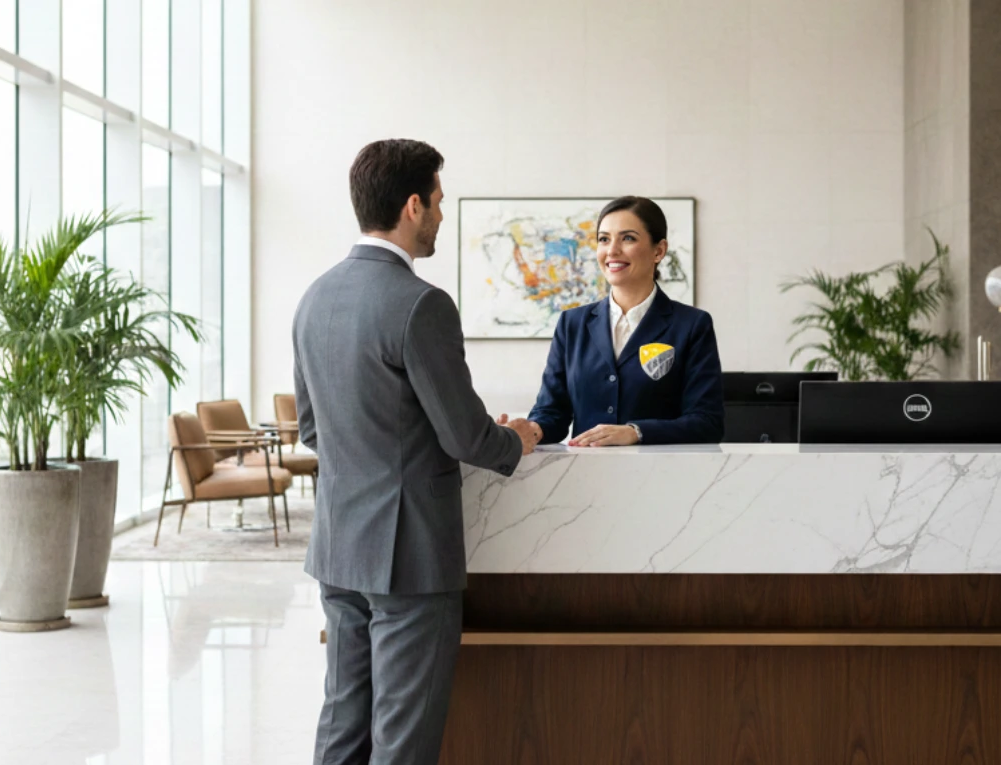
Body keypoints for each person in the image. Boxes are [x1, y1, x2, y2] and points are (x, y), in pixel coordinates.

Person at [292, 139, 540, 765]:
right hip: (410, 556)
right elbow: (467, 438)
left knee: (343, 723)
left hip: (339, 544)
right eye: (437, 202)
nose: (439, 216)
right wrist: (522, 437)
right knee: (404, 740)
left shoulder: (315, 297)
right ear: (411, 206)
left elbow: (313, 429)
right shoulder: (421, 303)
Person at [524, 196, 724, 446]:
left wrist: (636, 432)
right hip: (584, 476)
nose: (612, 250)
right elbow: (552, 413)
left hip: (663, 476)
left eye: (628, 238)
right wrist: (531, 429)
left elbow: (707, 423)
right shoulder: (572, 324)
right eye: (604, 239)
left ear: (659, 251)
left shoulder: (692, 325)